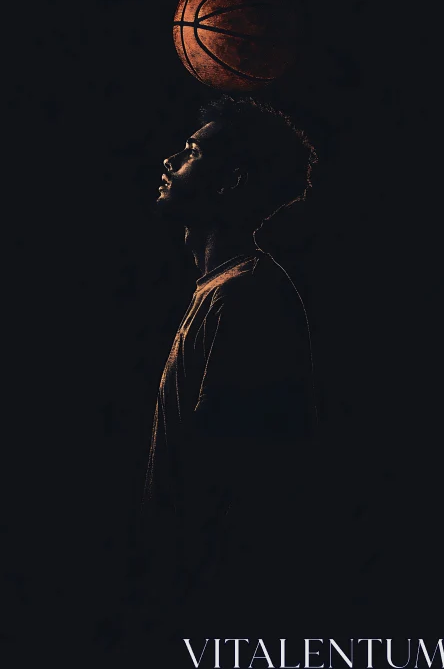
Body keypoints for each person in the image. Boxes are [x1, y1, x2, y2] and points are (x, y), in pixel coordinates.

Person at [140, 94, 320, 632]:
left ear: (230, 181)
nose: (171, 162)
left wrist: (186, 605)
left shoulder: (246, 299)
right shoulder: (222, 291)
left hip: (208, 605)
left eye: (192, 151)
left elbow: (236, 479)